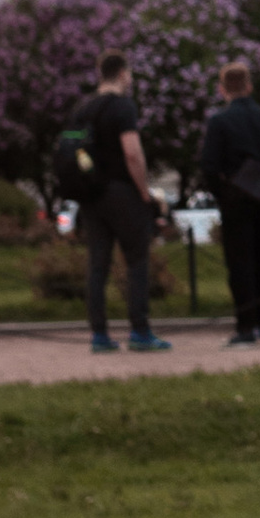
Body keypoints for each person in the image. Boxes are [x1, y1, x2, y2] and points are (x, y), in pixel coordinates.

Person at [196, 58, 260, 346]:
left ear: (222, 89)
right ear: (249, 86)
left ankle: (245, 327)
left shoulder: (219, 121)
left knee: (240, 264)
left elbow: (209, 166)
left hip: (236, 204)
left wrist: (223, 194)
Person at [79, 54, 169, 355]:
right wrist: (144, 193)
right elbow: (132, 153)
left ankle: (99, 334)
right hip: (122, 192)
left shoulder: (82, 108)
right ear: (121, 73)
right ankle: (140, 331)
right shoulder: (122, 107)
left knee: (97, 265)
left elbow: (72, 149)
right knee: (136, 261)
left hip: (91, 195)